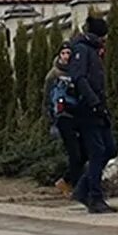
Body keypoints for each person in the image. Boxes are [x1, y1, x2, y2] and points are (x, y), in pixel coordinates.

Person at [67, 16, 116, 214]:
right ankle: (95, 197)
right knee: (97, 152)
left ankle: (82, 189)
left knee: (109, 149)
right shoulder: (82, 50)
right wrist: (93, 102)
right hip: (87, 110)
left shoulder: (93, 50)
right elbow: (79, 78)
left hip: (98, 108)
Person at [44, 41, 83, 198]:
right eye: (63, 53)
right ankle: (74, 186)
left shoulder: (76, 72)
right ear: (59, 55)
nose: (66, 56)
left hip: (77, 115)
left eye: (69, 53)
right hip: (63, 117)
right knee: (74, 153)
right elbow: (47, 100)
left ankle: (66, 180)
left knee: (81, 151)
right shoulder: (53, 75)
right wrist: (51, 121)